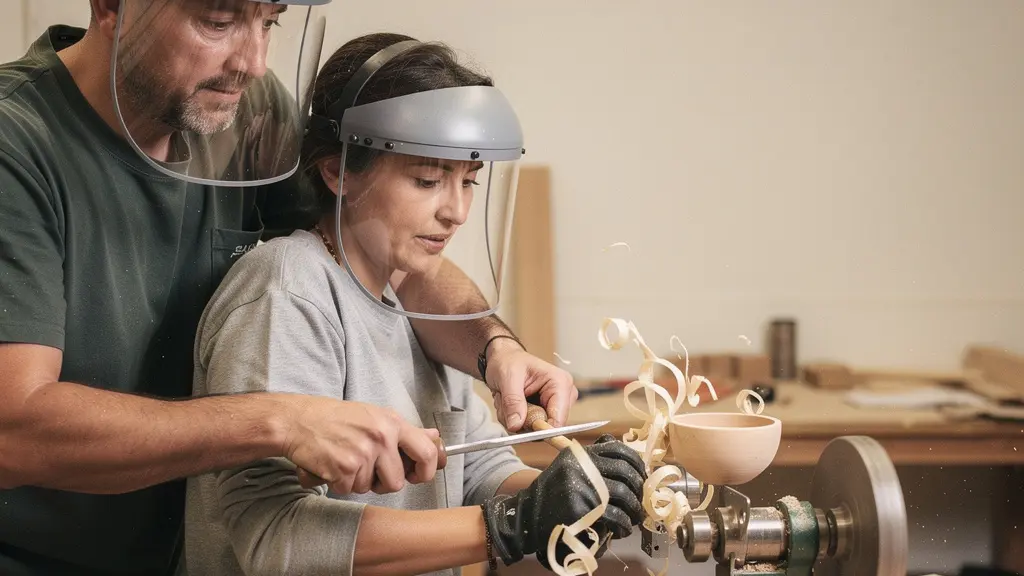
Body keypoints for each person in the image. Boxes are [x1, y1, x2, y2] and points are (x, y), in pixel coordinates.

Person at [0, 2, 577, 574]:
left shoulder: (244, 107)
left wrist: (495, 348)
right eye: (219, 21)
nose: (254, 62)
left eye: (270, 20)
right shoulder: (16, 142)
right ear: (111, 6)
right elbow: (12, 432)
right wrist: (281, 419)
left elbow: (370, 245)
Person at [184, 32, 646, 576]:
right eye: (428, 180)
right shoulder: (287, 292)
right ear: (338, 172)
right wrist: (514, 522)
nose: (457, 212)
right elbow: (276, 540)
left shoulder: (417, 304)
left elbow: (477, 471)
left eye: (469, 182)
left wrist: (570, 498)